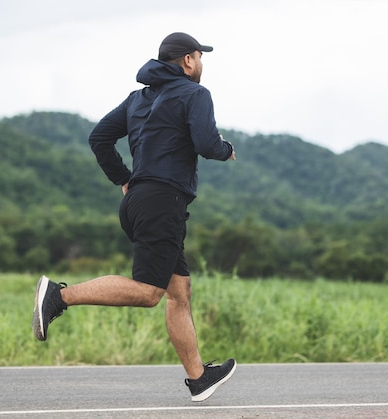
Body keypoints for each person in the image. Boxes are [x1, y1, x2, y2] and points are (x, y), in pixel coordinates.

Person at [33, 32, 237, 402]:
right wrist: (226, 150)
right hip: (163, 201)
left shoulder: (138, 99)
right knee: (148, 292)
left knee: (179, 292)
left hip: (140, 200)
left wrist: (124, 179)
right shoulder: (196, 94)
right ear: (188, 61)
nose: (201, 64)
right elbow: (207, 144)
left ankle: (199, 378)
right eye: (199, 57)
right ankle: (59, 297)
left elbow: (99, 138)